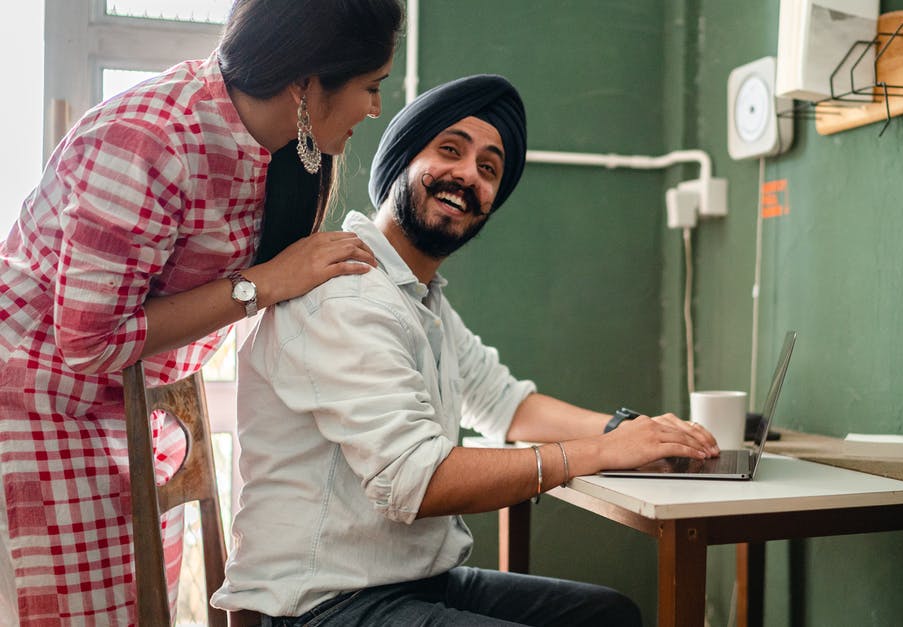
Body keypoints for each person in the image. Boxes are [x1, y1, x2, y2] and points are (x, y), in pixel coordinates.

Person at [211, 75, 720, 626]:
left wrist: (626, 433)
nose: (467, 176)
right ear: (402, 159)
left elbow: (506, 404)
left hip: (406, 583)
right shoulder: (351, 291)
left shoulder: (416, 296)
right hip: (316, 605)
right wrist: (595, 454)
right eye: (450, 150)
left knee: (609, 615)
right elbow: (415, 479)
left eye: (489, 169)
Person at [0, 0, 404, 623]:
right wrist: (262, 284)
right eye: (370, 86)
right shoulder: (146, 140)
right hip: (33, 415)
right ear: (304, 82)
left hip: (127, 413)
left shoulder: (279, 152)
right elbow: (88, 341)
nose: (375, 109)